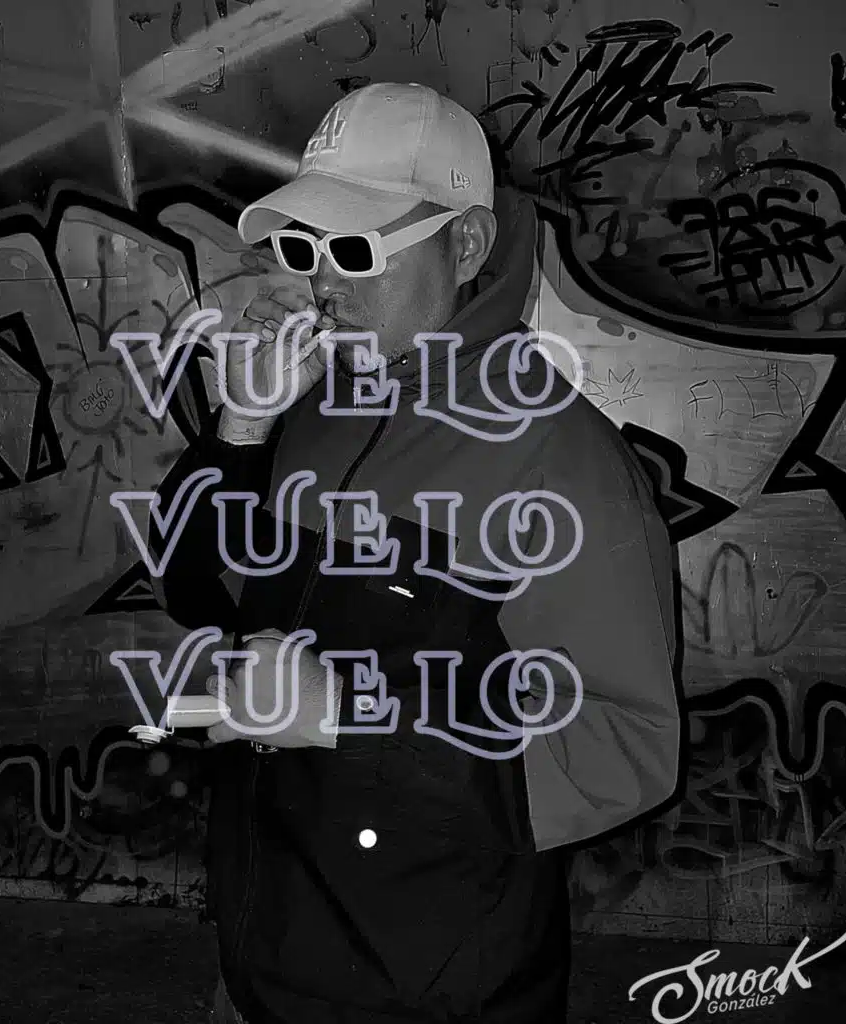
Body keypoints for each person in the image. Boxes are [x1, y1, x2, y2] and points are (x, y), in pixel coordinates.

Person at [151, 82, 682, 1024]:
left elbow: (624, 750)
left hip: (432, 993)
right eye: (307, 249)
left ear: (465, 244)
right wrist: (240, 430)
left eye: (357, 250)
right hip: (259, 964)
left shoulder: (557, 459)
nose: (325, 286)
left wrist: (350, 717)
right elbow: (196, 587)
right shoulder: (312, 410)